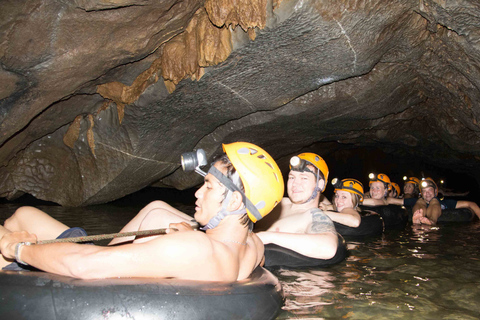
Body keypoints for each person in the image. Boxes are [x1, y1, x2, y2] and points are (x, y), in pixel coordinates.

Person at [0, 142, 284, 281]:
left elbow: (83, 266)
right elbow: (213, 248)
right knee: (24, 213)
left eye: (208, 186)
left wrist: (18, 249)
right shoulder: (252, 245)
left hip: (79, 274)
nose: (197, 192)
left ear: (234, 203)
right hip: (106, 258)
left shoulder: (195, 248)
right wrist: (193, 233)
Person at [254, 152, 339, 260]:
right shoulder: (276, 203)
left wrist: (267, 236)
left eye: (304, 178)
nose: (295, 184)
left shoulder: (312, 215)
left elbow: (328, 248)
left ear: (320, 184)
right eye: (292, 177)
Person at [408, 178, 480, 225]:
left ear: (435, 191)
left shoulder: (445, 202)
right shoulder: (416, 201)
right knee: (419, 201)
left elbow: (470, 204)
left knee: (434, 201)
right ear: (421, 193)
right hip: (419, 210)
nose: (427, 193)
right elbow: (398, 201)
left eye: (430, 190)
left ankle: (431, 221)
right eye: (424, 191)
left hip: (438, 218)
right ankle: (417, 220)